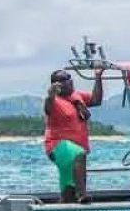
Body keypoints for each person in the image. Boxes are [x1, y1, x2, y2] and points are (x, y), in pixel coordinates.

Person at [44, 69, 104, 203]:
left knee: (68, 189)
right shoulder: (55, 101)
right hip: (57, 146)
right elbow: (47, 107)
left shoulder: (77, 97)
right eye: (65, 80)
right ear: (57, 85)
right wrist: (50, 95)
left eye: (70, 79)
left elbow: (96, 100)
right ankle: (82, 195)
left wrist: (98, 76)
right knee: (79, 154)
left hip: (76, 148)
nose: (70, 82)